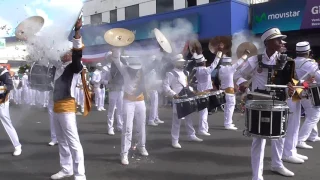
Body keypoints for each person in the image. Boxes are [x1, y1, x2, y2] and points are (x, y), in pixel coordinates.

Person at [234, 27, 295, 180]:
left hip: (279, 103)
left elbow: (289, 83)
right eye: (278, 39)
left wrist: (291, 90)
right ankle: (257, 175)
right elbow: (237, 74)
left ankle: (277, 164)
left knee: (279, 136)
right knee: (258, 139)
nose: (281, 42)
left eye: (281, 39)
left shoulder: (286, 61)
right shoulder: (255, 60)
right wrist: (242, 84)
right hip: (259, 103)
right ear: (268, 42)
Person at [50, 18, 87, 180]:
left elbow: (78, 52)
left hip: (66, 106)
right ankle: (66, 169)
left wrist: (77, 31)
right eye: (64, 51)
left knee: (73, 141)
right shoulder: (57, 67)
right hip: (56, 107)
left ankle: (80, 174)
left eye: (68, 51)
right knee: (62, 141)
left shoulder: (74, 67)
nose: (65, 53)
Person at [110, 49, 149, 165]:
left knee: (141, 125)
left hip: (140, 100)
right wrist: (116, 48)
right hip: (128, 101)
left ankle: (141, 146)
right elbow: (116, 59)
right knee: (127, 128)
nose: (135, 71)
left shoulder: (142, 70)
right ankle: (124, 153)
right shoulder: (124, 69)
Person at [163, 54, 203, 149]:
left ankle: (191, 135)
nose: (182, 63)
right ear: (175, 63)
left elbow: (186, 85)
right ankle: (175, 140)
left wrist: (192, 90)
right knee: (177, 120)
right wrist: (173, 94)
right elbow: (165, 86)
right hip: (178, 98)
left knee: (189, 117)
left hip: (187, 96)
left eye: (182, 62)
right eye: (180, 62)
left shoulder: (185, 73)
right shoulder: (171, 74)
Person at [295, 41, 320, 149]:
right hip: (309, 91)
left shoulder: (293, 62)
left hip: (299, 91)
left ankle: (313, 136)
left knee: (310, 114)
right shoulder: (310, 64)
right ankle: (300, 140)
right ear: (308, 52)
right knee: (314, 116)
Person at [219, 52, 250, 130]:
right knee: (230, 107)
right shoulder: (230, 69)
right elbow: (238, 63)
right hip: (229, 92)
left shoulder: (221, 69)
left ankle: (227, 122)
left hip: (223, 91)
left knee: (227, 108)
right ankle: (228, 124)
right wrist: (245, 55)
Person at [192, 51, 221, 135]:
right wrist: (218, 56)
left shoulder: (196, 70)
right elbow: (214, 65)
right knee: (204, 112)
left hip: (200, 92)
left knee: (203, 112)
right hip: (204, 93)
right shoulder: (204, 70)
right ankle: (202, 130)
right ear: (203, 62)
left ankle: (204, 128)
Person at [0, 66, 22, 156]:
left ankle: (17, 146)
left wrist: (0, 89)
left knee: (7, 123)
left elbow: (10, 85)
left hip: (1, 102)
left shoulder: (2, 71)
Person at [105, 52, 124, 135]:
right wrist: (109, 81)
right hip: (113, 90)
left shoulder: (120, 65)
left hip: (120, 90)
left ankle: (120, 125)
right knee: (111, 110)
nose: (113, 57)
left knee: (120, 109)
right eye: (111, 56)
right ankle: (110, 127)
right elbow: (102, 80)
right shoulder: (106, 68)